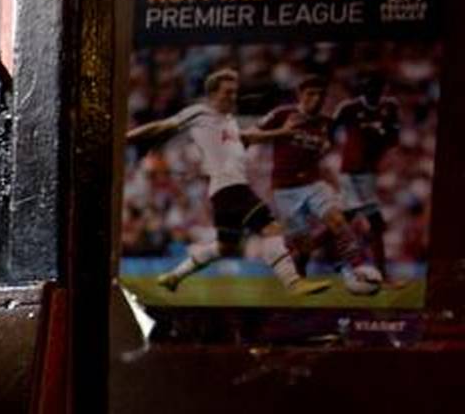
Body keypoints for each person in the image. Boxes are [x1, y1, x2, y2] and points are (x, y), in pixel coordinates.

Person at [126, 66, 303, 295]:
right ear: (212, 94)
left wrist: (282, 134)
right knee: (271, 228)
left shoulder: (228, 121)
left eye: (235, 92)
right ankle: (293, 282)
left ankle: (174, 276)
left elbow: (248, 137)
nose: (233, 96)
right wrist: (127, 137)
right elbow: (163, 126)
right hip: (231, 187)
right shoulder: (200, 112)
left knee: (225, 247)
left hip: (225, 189)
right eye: (227, 92)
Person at [246, 75, 379, 297]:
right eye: (310, 94)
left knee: (338, 219)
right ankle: (300, 276)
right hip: (284, 190)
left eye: (320, 95)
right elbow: (248, 136)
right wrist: (281, 133)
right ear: (299, 94)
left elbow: (322, 158)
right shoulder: (282, 114)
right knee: (304, 246)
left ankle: (359, 267)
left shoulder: (326, 124)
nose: (316, 99)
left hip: (313, 184)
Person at [330, 73, 403, 293]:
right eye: (368, 88)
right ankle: (384, 276)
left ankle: (304, 251)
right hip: (351, 174)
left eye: (376, 88)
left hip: (368, 174)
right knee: (376, 223)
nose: (372, 92)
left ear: (383, 89)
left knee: (344, 220)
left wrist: (382, 138)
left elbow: (393, 139)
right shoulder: (349, 108)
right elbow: (329, 128)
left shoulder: (389, 107)